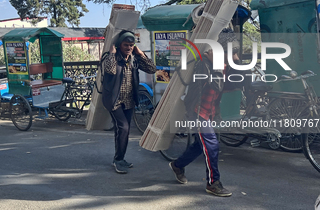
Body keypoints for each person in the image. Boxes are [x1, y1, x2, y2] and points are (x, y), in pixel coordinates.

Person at [169, 28, 239, 197]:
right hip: (197, 111)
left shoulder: (222, 64)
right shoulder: (204, 64)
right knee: (212, 145)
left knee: (200, 146)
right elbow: (216, 86)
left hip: (209, 112)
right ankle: (213, 183)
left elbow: (226, 88)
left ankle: (177, 165)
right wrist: (216, 66)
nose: (234, 57)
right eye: (232, 53)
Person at [102, 30, 156, 174]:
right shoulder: (110, 57)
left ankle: (119, 158)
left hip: (129, 100)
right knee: (124, 128)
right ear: (119, 45)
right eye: (126, 45)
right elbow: (110, 70)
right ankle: (118, 160)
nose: (129, 48)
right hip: (114, 100)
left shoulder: (134, 59)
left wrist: (141, 54)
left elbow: (152, 69)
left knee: (122, 130)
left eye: (131, 45)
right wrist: (112, 53)